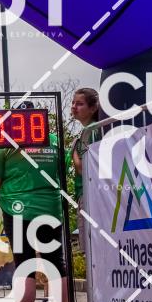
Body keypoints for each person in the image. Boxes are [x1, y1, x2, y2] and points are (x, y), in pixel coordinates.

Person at [0, 104, 71, 302]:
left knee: (25, 265)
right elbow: (64, 172)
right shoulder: (55, 142)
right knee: (57, 264)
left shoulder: (6, 145)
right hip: (50, 209)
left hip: (17, 210)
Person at [69, 88, 101, 253]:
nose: (74, 107)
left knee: (89, 249)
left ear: (93, 108)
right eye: (73, 103)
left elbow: (83, 168)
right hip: (90, 193)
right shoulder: (90, 130)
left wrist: (74, 151)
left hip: (89, 194)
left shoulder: (91, 131)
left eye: (80, 104)